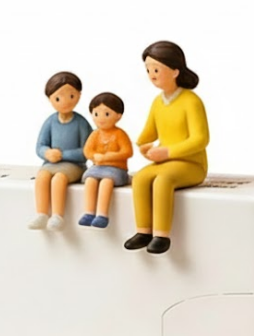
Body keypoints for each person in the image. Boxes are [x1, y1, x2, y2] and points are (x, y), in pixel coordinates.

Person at [125, 41, 209, 254]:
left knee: (163, 181)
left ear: (175, 71)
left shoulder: (191, 101)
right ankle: (143, 231)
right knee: (140, 178)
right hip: (164, 162)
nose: (151, 76)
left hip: (191, 164)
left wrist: (168, 152)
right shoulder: (158, 102)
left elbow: (200, 139)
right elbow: (149, 132)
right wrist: (142, 145)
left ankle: (161, 235)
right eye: (148, 71)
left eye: (156, 70)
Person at [28, 72, 92, 231]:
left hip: (74, 166)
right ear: (50, 99)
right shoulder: (50, 122)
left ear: (79, 95)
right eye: (58, 98)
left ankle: (57, 215)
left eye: (71, 96)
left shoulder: (81, 123)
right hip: (51, 163)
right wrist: (47, 153)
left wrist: (64, 155)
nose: (64, 102)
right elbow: (40, 146)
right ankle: (42, 214)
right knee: (42, 177)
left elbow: (87, 151)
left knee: (59, 179)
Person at [78, 92, 132, 229]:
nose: (101, 118)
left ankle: (102, 214)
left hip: (116, 169)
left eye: (106, 114)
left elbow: (127, 152)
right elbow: (87, 150)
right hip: (98, 167)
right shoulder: (95, 134)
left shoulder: (119, 134)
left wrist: (108, 157)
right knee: (90, 180)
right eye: (96, 114)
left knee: (106, 182)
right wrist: (94, 156)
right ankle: (89, 212)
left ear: (118, 116)